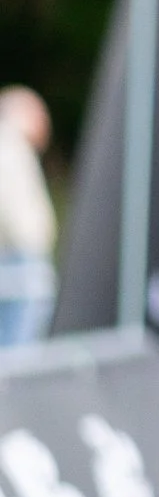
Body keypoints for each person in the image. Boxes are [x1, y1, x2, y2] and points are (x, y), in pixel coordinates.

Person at [0, 87, 56, 345]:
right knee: (18, 350)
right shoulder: (10, 147)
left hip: (18, 257)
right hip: (18, 259)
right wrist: (27, 241)